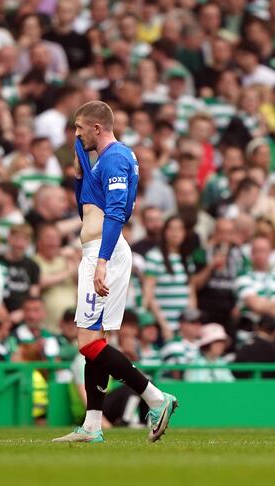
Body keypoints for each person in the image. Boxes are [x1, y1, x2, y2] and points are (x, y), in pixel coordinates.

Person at [53, 101, 176, 444]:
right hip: (96, 251)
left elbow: (116, 214)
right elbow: (88, 208)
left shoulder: (117, 157)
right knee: (96, 341)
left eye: (79, 128)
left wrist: (103, 261)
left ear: (97, 128)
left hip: (104, 253)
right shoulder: (103, 160)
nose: (76, 134)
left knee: (88, 343)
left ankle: (154, 397)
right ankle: (93, 425)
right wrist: (79, 176)